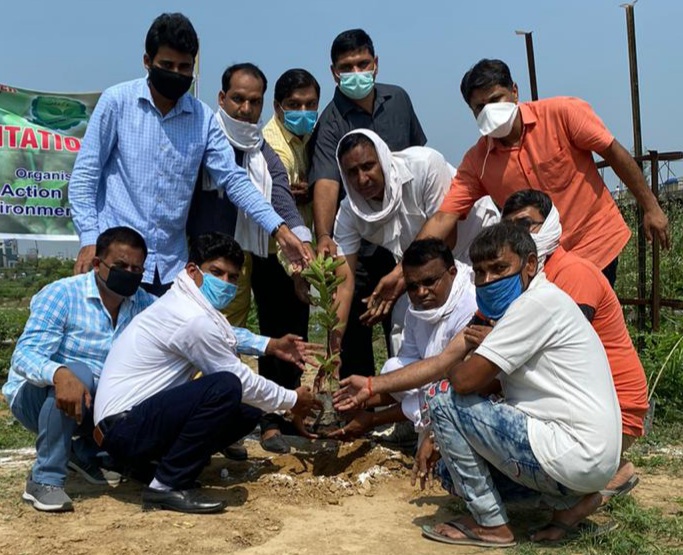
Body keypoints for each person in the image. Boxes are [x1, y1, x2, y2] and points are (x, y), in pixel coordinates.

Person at [335, 222, 621, 546]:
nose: (489, 281)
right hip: (585, 457)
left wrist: (469, 361)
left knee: (440, 395)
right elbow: (445, 362)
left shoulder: (534, 305)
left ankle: (491, 524)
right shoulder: (519, 306)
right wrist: (374, 386)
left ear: (529, 265)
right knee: (448, 473)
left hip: (570, 450)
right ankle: (569, 503)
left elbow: (461, 379)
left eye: (499, 269)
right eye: (482, 273)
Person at [68, 13, 309, 297]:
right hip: (116, 260)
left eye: (185, 67)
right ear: (147, 62)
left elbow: (234, 180)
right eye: (167, 65)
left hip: (170, 267)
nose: (176, 73)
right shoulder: (117, 102)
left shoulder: (202, 119)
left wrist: (280, 231)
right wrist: (88, 238)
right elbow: (85, 176)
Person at [93, 232, 320, 514]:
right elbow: (238, 377)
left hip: (130, 424)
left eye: (233, 277)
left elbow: (224, 335)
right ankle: (166, 486)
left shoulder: (187, 304)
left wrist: (270, 345)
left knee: (246, 412)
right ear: (192, 270)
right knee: (226, 385)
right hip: (123, 430)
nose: (225, 283)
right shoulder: (191, 318)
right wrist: (293, 399)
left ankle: (149, 466)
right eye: (216, 272)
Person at [418, 58, 669, 287]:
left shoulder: (561, 113)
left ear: (514, 92)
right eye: (479, 107)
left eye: (495, 100)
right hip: (542, 265)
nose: (489, 111)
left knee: (592, 324)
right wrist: (407, 268)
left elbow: (612, 151)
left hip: (594, 245)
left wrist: (651, 207)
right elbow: (444, 217)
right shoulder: (477, 162)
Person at [187, 63, 313, 454]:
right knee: (197, 341)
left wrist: (301, 245)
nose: (245, 108)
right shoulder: (203, 140)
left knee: (229, 342)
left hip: (244, 260)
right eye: (238, 99)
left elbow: (280, 199)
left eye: (253, 101)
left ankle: (223, 425)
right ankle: (191, 424)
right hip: (202, 262)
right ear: (221, 98)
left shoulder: (261, 150)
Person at [501, 188, 648, 499]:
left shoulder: (574, 273)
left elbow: (549, 351)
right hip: (580, 400)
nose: (518, 233)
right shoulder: (530, 278)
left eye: (527, 224)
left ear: (551, 223)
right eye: (510, 227)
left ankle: (595, 485)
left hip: (615, 408)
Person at [2, 227, 155, 512]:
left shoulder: (143, 303)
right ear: (97, 264)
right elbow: (25, 356)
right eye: (121, 266)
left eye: (137, 269)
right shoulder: (63, 294)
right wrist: (60, 374)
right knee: (78, 373)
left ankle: (85, 451)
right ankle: (44, 479)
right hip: (37, 398)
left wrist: (260, 344)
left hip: (97, 401)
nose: (129, 273)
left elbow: (188, 325)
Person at [309, 28, 427, 377]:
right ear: (334, 72)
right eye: (347, 66)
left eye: (363, 63)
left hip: (404, 233)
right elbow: (327, 182)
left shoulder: (399, 100)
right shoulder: (331, 121)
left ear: (375, 64)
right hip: (358, 235)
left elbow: (418, 158)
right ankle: (357, 394)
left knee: (406, 315)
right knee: (357, 318)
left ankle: (402, 392)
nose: (356, 72)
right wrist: (324, 235)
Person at [330, 129, 497, 376]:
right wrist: (333, 350)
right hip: (419, 267)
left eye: (368, 166)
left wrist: (401, 275)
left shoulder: (424, 165)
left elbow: (446, 237)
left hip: (475, 248)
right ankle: (414, 401)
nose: (362, 179)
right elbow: (344, 284)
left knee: (477, 321)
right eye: (352, 172)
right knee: (404, 325)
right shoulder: (348, 213)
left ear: (383, 160)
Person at [327, 238, 476, 443]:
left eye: (430, 282)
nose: (421, 292)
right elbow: (410, 375)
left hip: (463, 389)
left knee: (440, 393)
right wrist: (360, 399)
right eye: (413, 286)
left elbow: (443, 371)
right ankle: (412, 424)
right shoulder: (414, 307)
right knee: (393, 367)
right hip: (434, 379)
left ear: (452, 273)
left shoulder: (471, 305)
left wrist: (372, 407)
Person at [263, 68, 320, 233]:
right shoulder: (273, 146)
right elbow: (279, 201)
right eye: (294, 105)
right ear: (277, 106)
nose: (303, 111)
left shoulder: (312, 134)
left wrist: (314, 191)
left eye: (310, 104)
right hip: (276, 246)